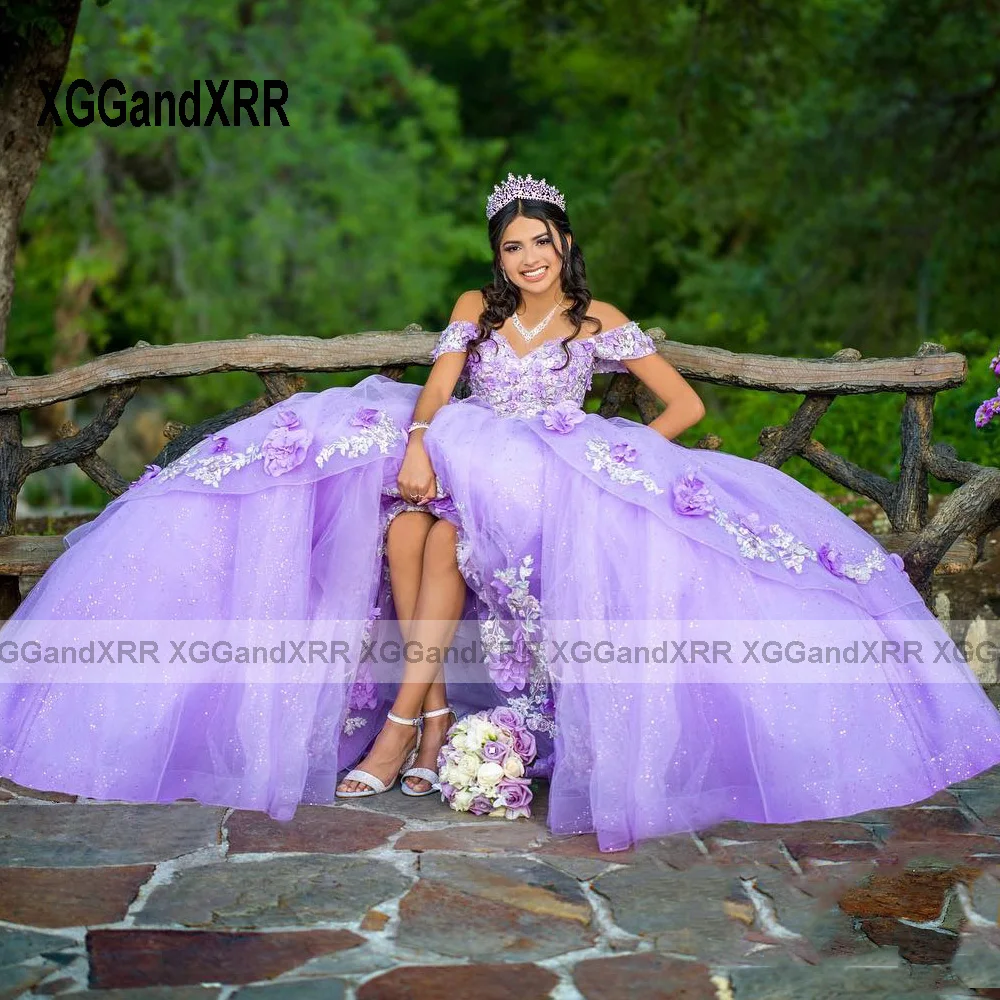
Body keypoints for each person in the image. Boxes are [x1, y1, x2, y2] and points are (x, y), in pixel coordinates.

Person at [2, 173, 999, 853]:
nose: (526, 257)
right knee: (406, 519)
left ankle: (408, 725)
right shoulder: (475, 310)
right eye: (511, 245)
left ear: (565, 244)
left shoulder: (596, 322)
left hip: (550, 461)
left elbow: (686, 407)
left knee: (438, 528)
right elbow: (437, 387)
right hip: (465, 441)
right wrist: (423, 439)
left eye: (539, 241)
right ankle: (427, 716)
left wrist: (617, 460)